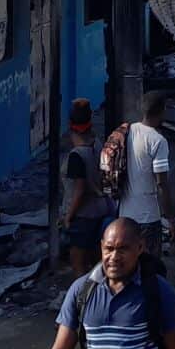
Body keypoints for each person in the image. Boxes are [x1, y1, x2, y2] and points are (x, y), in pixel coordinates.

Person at [44, 218, 175, 349]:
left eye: (123, 249)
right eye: (109, 248)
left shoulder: (158, 291)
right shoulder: (81, 290)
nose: (114, 257)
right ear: (101, 247)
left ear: (139, 248)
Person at [119, 92, 175, 258]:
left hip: (125, 215)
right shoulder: (157, 140)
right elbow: (162, 184)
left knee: (130, 266)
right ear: (162, 111)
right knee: (149, 268)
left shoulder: (127, 132)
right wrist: (170, 219)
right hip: (148, 218)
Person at [63, 98, 112, 277]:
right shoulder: (97, 144)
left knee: (79, 266)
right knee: (97, 264)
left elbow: (79, 190)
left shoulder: (76, 156)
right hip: (102, 209)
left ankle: (85, 302)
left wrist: (68, 217)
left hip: (83, 216)